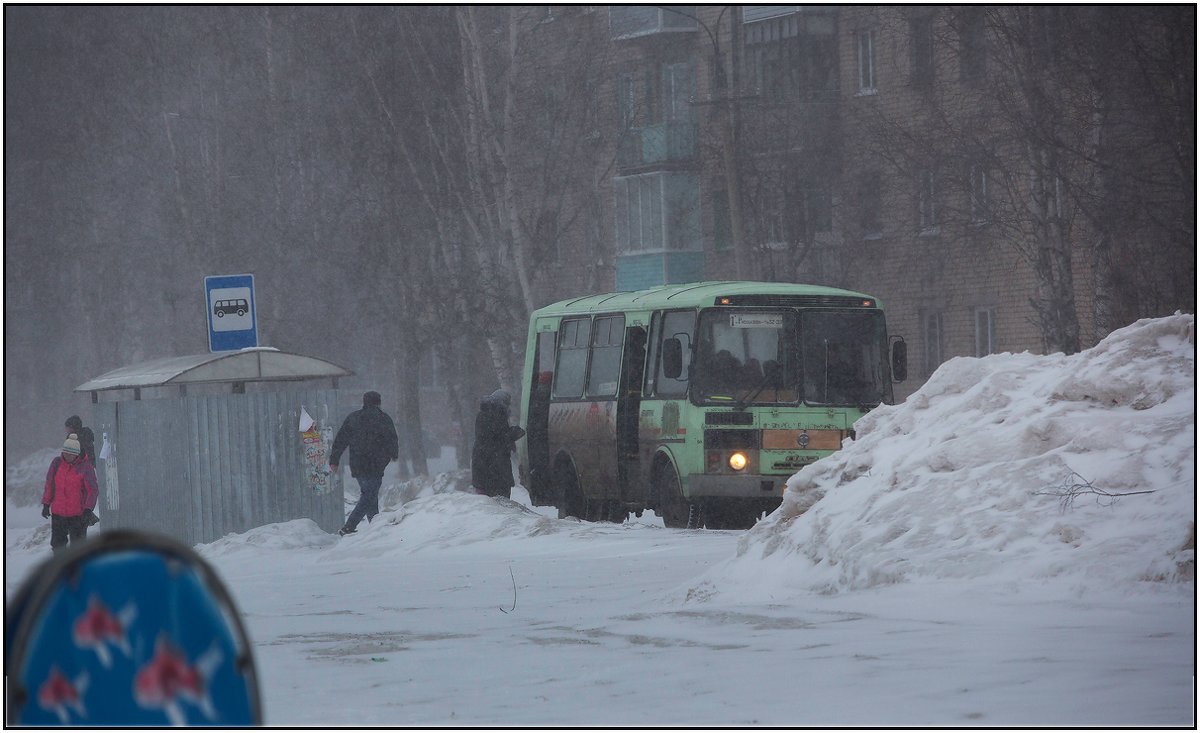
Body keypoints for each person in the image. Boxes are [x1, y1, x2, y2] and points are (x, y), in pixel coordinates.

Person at [329, 391, 399, 536]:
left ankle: (375, 526)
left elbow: (341, 440)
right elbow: (392, 438)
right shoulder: (384, 418)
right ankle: (349, 527)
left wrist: (334, 460)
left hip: (358, 463)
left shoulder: (353, 418)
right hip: (376, 463)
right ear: (379, 402)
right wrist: (393, 454)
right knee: (369, 495)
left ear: (364, 402)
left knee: (370, 495)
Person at [41, 433, 99, 553]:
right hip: (58, 513)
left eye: (71, 453)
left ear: (77, 453)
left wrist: (88, 509)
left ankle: (78, 570)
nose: (67, 455)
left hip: (78, 515)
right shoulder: (57, 463)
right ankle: (60, 569)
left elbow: (92, 490)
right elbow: (49, 484)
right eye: (66, 452)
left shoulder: (85, 467)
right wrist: (46, 504)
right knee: (58, 547)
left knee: (78, 550)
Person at [470, 389, 525, 498]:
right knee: (498, 503)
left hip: (486, 469)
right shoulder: (495, 415)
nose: (509, 407)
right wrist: (513, 433)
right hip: (493, 470)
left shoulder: (487, 414)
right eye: (508, 403)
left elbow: (494, 437)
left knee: (491, 504)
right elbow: (497, 439)